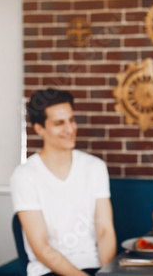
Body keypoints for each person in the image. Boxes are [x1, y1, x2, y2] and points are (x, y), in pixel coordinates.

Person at [10, 89, 116, 276]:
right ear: (39, 129)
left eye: (72, 120)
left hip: (94, 267)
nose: (70, 129)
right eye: (59, 123)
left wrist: (107, 273)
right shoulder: (25, 176)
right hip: (48, 270)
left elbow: (105, 231)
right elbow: (41, 247)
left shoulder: (95, 167)